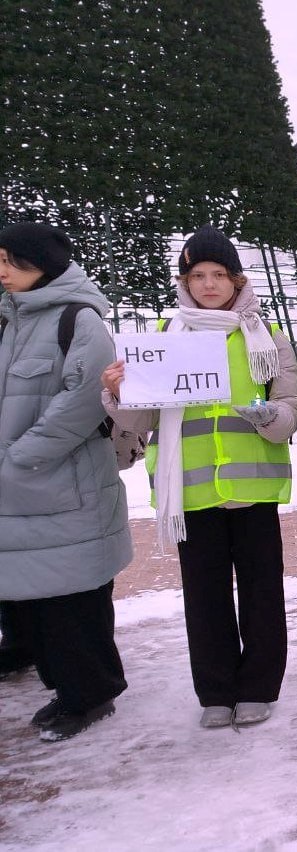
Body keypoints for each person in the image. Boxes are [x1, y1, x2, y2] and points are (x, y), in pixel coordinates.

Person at [104, 226, 297, 728]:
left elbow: (291, 407)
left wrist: (267, 416)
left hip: (251, 485)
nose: (210, 285)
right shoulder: (165, 338)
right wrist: (117, 394)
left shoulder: (265, 336)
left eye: (219, 275)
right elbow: (143, 420)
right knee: (204, 595)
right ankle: (215, 691)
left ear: (237, 280)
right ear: (185, 281)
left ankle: (258, 685)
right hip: (189, 488)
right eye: (199, 275)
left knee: (261, 591)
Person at [0, 222, 131, 741]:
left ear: (42, 262)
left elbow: (83, 401)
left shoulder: (80, 320)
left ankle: (89, 693)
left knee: (72, 598)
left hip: (62, 485)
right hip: (16, 490)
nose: (2, 270)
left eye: (11, 260)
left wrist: (21, 456)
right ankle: (53, 676)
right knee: (30, 593)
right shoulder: (8, 319)